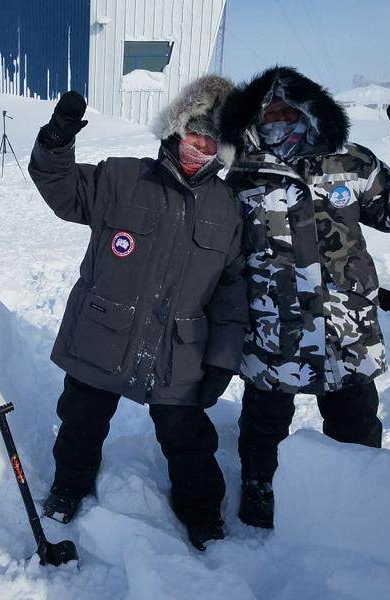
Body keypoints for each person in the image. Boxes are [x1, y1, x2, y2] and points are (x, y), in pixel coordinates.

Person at [27, 75, 246, 549]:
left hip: (179, 350)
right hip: (103, 333)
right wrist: (56, 140)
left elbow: (232, 293)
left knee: (188, 440)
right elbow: (59, 185)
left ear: (223, 150)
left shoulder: (228, 208)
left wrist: (222, 360)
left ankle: (202, 512)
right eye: (193, 135)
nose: (197, 149)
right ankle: (70, 486)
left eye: (210, 142)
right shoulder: (122, 178)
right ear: (175, 130)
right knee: (80, 422)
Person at [214, 66, 390, 528]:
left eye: (287, 108)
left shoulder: (351, 161)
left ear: (309, 111)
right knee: (263, 426)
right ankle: (261, 488)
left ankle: (360, 498)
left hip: (345, 326)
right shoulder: (239, 177)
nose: (277, 114)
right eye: (267, 109)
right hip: (273, 326)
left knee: (357, 425)